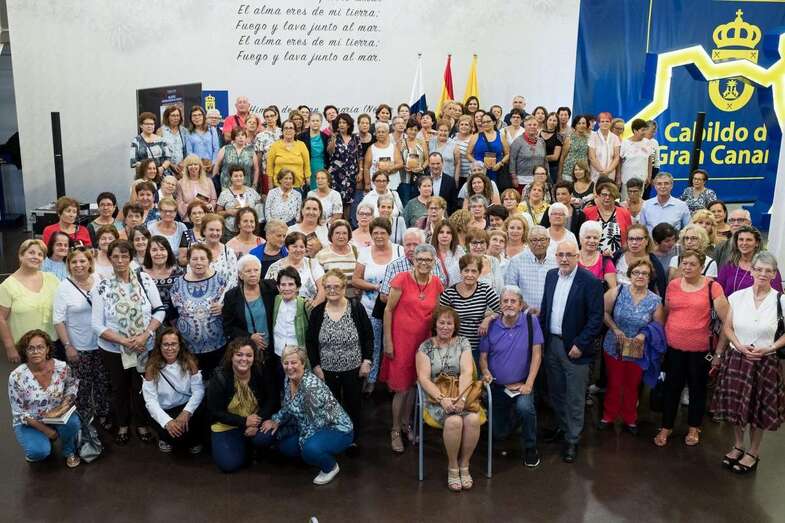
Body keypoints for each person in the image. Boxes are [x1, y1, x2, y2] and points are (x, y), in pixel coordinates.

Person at [711, 251, 785, 474]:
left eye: (768, 271)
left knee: (757, 409)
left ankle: (753, 451)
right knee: (736, 406)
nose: (763, 274)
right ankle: (737, 445)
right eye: (759, 269)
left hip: (766, 362)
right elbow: (727, 327)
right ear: (751, 271)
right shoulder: (736, 297)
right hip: (738, 358)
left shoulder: (780, 300)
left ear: (774, 275)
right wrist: (739, 346)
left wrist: (770, 347)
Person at [92, 239, 164, 444]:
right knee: (119, 388)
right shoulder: (101, 287)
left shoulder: (145, 280)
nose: (120, 260)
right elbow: (97, 325)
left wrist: (145, 335)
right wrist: (123, 341)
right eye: (116, 256)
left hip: (143, 346)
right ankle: (123, 423)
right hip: (114, 350)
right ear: (110, 258)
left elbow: (159, 310)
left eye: (125, 255)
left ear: (131, 257)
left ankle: (141, 423)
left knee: (141, 387)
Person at [654, 249, 729, 447]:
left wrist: (719, 353)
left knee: (697, 389)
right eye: (684, 263)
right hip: (673, 347)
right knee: (671, 388)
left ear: (702, 266)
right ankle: (666, 426)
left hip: (701, 350)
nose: (687, 267)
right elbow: (667, 313)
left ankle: (694, 427)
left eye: (692, 264)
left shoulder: (713, 287)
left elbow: (727, 322)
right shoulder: (673, 285)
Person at [539, 240, 604, 463]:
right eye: (560, 255)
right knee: (555, 392)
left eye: (569, 254)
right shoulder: (550, 276)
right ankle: (562, 427)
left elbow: (596, 319)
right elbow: (546, 309)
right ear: (555, 256)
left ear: (577, 256)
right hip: (552, 345)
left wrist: (581, 344)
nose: (564, 259)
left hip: (576, 348)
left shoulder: (590, 282)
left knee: (575, 397)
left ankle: (573, 439)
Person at [382, 244, 445, 453]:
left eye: (428, 260)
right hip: (400, 341)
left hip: (423, 342)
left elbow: (436, 314)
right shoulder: (401, 279)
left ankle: (407, 424)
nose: (424, 263)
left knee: (415, 386)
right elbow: (388, 310)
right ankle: (394, 430)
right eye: (420, 260)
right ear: (414, 260)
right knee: (401, 388)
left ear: (434, 261)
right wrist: (388, 341)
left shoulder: (436, 282)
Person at [261, 346, 353, 485]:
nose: (289, 367)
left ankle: (330, 467)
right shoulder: (288, 379)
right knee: (284, 445)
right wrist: (277, 421)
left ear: (303, 363)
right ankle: (313, 453)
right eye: (286, 363)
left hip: (336, 429)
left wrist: (303, 444)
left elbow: (316, 424)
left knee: (308, 449)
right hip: (308, 423)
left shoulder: (310, 388)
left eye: (294, 362)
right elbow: (288, 406)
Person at [416, 306, 484, 490]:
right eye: (442, 323)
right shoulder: (425, 347)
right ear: (435, 325)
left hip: (462, 392)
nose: (445, 327)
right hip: (436, 395)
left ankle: (465, 465)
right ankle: (453, 466)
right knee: (454, 422)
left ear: (455, 326)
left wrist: (461, 399)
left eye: (449, 323)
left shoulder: (463, 342)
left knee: (472, 419)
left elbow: (467, 372)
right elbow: (423, 378)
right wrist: (442, 399)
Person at [479, 286, 543, 468]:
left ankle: (531, 447)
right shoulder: (490, 326)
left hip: (522, 384)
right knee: (498, 432)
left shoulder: (531, 322)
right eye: (505, 301)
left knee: (525, 408)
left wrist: (529, 384)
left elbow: (537, 355)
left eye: (513, 301)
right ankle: (513, 421)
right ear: (500, 304)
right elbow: (483, 358)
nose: (509, 305)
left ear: (521, 304)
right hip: (498, 386)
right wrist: (485, 371)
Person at [307, 269, 372, 444]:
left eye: (336, 286)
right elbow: (311, 342)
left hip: (353, 369)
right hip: (326, 371)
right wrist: (316, 366)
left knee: (353, 406)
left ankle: (353, 439)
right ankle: (334, 440)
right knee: (329, 407)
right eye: (328, 287)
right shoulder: (317, 312)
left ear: (344, 288)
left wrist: (367, 361)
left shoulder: (356, 308)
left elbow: (368, 336)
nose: (332, 290)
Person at [600, 259, 664, 433]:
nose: (640, 276)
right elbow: (603, 312)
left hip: (638, 348)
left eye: (645, 273)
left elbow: (658, 325)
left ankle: (630, 418)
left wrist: (644, 334)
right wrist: (615, 329)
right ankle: (608, 416)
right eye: (636, 272)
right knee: (614, 382)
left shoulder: (655, 300)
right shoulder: (617, 291)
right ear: (630, 275)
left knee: (632, 384)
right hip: (614, 345)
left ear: (650, 277)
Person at [53, 247, 110, 427]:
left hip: (102, 343)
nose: (79, 265)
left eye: (82, 261)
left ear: (89, 262)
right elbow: (58, 320)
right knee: (82, 386)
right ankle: (83, 420)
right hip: (79, 346)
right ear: (69, 265)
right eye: (74, 262)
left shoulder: (100, 280)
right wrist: (68, 346)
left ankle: (104, 414)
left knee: (103, 382)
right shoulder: (64, 287)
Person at [8, 330, 81, 468]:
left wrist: (65, 403)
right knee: (39, 453)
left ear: (47, 349)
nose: (36, 351)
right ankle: (39, 445)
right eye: (31, 348)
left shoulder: (62, 367)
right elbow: (19, 413)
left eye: (40, 347)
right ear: (25, 351)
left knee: (73, 423)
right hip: (31, 421)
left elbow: (72, 385)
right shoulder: (16, 376)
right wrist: (47, 431)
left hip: (57, 415)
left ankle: (69, 451)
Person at [207, 337, 280, 473]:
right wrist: (244, 422)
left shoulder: (260, 371)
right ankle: (243, 446)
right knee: (229, 465)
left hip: (255, 419)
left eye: (249, 355)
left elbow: (272, 398)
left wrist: (257, 421)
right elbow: (215, 411)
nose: (244, 359)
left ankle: (251, 444)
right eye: (239, 354)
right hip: (227, 425)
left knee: (266, 437)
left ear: (254, 357)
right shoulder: (219, 377)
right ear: (231, 356)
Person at [142, 328, 205, 454]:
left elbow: (198, 391)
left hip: (186, 406)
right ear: (159, 346)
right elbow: (150, 400)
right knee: (175, 437)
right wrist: (167, 421)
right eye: (166, 344)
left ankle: (193, 439)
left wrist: (186, 412)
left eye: (174, 344)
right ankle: (165, 438)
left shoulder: (189, 362)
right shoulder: (151, 367)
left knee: (190, 433)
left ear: (180, 345)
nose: (170, 348)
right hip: (165, 410)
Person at [170, 244, 229, 378]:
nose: (199, 262)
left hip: (219, 347)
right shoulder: (178, 284)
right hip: (189, 349)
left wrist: (224, 308)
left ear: (209, 260)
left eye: (203, 258)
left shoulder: (222, 282)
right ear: (189, 261)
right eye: (194, 259)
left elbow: (234, 310)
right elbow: (173, 316)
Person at [0, 240, 60, 363]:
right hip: (27, 348)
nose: (36, 257)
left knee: (54, 380)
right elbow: (1, 318)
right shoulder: (7, 286)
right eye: (31, 252)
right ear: (21, 255)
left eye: (40, 254)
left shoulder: (52, 279)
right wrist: (9, 347)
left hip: (53, 344)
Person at [439, 254, 501, 360]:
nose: (470, 275)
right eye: (466, 271)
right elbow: (439, 319)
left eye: (474, 271)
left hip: (478, 347)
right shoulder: (449, 293)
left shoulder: (485, 290)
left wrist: (488, 319)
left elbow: (501, 310)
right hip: (454, 347)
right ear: (460, 272)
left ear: (479, 273)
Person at [223, 255, 276, 357]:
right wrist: (250, 337)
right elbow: (228, 327)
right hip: (246, 350)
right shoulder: (232, 296)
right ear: (240, 275)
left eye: (256, 270)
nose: (253, 274)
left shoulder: (271, 287)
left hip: (272, 349)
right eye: (248, 271)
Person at [504, 225, 557, 315]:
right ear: (528, 242)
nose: (539, 244)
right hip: (524, 315)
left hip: (551, 315)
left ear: (548, 241)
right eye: (535, 240)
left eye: (542, 240)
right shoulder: (516, 261)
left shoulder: (556, 261)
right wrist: (527, 309)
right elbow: (511, 291)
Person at [717, 226, 783, 295]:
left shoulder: (768, 266)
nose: (744, 243)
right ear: (736, 242)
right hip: (729, 305)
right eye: (741, 239)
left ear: (757, 243)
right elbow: (718, 292)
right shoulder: (729, 265)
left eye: (749, 240)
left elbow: (777, 295)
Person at [265, 231, 325, 306]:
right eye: (294, 246)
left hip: (310, 311)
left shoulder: (313, 264)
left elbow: (323, 289)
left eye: (301, 247)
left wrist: (313, 306)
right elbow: (268, 293)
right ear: (287, 248)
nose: (298, 250)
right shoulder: (275, 267)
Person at [612, 224, 668, 296]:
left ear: (647, 241)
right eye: (631, 239)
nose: (634, 242)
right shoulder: (618, 256)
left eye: (638, 239)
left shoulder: (654, 263)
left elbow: (660, 291)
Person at [583, 181, 632, 257]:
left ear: (615, 196)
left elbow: (629, 237)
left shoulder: (624, 213)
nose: (607, 198)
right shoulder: (588, 212)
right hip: (593, 257)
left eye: (610, 195)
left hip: (617, 257)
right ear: (598, 195)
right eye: (604, 195)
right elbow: (582, 235)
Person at [142, 235, 183, 325]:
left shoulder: (179, 274)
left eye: (162, 249)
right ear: (148, 253)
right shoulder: (140, 275)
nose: (159, 253)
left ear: (168, 251)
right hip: (148, 325)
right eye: (154, 250)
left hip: (175, 326)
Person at [326, 113, 362, 216]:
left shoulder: (355, 138)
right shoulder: (333, 137)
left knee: (348, 201)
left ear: (349, 125)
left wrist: (360, 171)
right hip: (336, 174)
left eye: (344, 123)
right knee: (337, 201)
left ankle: (346, 224)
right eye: (340, 123)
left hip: (351, 174)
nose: (341, 125)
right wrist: (333, 139)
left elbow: (359, 156)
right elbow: (330, 151)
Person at [217, 165, 263, 237]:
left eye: (241, 176)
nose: (238, 178)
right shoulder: (224, 194)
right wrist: (228, 212)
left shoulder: (252, 191)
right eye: (235, 176)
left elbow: (259, 209)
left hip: (250, 230)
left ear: (244, 177)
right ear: (231, 178)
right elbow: (218, 213)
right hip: (230, 231)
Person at [467, 112, 509, 186]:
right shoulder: (476, 136)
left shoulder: (501, 136)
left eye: (488, 121)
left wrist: (500, 164)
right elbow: (468, 154)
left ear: (494, 122)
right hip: (480, 172)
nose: (486, 124)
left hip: (496, 171)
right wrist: (478, 164)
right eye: (483, 122)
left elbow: (507, 154)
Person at [363, 122, 404, 196]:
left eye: (383, 132)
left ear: (387, 133)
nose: (380, 134)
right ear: (375, 134)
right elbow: (366, 168)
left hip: (392, 185)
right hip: (376, 185)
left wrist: (389, 168)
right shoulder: (371, 148)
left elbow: (400, 164)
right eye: (378, 132)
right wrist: (367, 184)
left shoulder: (393, 147)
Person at [509, 115, 547, 189]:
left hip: (539, 179)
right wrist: (514, 178)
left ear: (538, 126)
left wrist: (547, 175)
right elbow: (512, 160)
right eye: (529, 125)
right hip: (522, 180)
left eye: (535, 125)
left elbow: (545, 160)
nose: (532, 126)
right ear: (524, 126)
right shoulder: (518, 141)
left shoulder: (541, 141)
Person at [201, 214, 239, 287]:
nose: (215, 233)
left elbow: (233, 281)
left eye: (218, 230)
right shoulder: (195, 251)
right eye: (211, 229)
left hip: (226, 296)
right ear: (204, 231)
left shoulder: (228, 252)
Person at [397, 117, 428, 205]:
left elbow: (427, 160)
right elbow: (397, 160)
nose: (413, 132)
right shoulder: (400, 143)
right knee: (405, 203)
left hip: (419, 178)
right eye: (411, 129)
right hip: (404, 179)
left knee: (419, 203)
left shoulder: (422, 142)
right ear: (406, 130)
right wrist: (403, 166)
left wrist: (421, 167)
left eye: (415, 130)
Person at [577, 221, 617, 289]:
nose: (592, 241)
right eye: (588, 237)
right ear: (580, 239)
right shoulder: (572, 257)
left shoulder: (605, 261)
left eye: (595, 238)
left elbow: (612, 291)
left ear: (599, 240)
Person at [465, 228, 505, 295]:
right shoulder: (460, 264)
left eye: (482, 242)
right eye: (474, 243)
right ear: (467, 245)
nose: (478, 246)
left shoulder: (494, 261)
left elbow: (500, 289)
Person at [618, 118, 652, 196]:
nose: (644, 132)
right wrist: (618, 177)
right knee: (626, 202)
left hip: (642, 178)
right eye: (642, 130)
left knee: (639, 202)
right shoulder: (625, 143)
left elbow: (649, 161)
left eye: (645, 130)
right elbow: (619, 162)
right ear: (635, 131)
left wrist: (649, 176)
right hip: (627, 179)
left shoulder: (647, 143)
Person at [298, 112, 330, 190]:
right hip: (307, 168)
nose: (315, 123)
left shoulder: (325, 137)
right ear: (309, 122)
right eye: (313, 121)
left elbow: (328, 154)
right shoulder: (301, 137)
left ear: (321, 122)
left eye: (317, 121)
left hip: (322, 167)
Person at [156, 106, 189, 176]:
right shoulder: (160, 131)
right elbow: (159, 153)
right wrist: (171, 165)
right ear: (167, 117)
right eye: (173, 115)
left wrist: (183, 163)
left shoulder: (184, 131)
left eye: (177, 115)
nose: (176, 118)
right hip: (166, 169)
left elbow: (187, 151)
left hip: (181, 169)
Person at [431, 219, 466, 286]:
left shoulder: (459, 251)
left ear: (453, 236)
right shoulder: (430, 252)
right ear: (436, 235)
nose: (445, 235)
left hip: (455, 292)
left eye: (448, 233)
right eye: (441, 232)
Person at [588, 112, 621, 180]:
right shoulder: (593, 136)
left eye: (607, 121)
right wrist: (601, 171)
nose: (605, 123)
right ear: (598, 123)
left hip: (610, 173)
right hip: (596, 173)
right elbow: (592, 157)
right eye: (602, 121)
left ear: (611, 123)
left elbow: (616, 157)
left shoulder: (615, 138)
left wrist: (608, 171)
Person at [558, 115, 590, 182]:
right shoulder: (569, 138)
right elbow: (562, 157)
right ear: (575, 125)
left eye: (583, 123)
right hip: (568, 173)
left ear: (587, 125)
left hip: (582, 173)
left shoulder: (589, 139)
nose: (581, 125)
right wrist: (559, 176)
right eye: (579, 123)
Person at [254, 106, 283, 181]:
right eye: (267, 117)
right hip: (266, 172)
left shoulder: (283, 132)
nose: (270, 118)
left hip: (283, 172)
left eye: (272, 116)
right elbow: (259, 157)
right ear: (264, 119)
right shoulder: (260, 136)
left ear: (276, 117)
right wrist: (259, 175)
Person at [540, 112, 563, 182]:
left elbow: (555, 157)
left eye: (554, 120)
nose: (551, 122)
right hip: (539, 167)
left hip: (552, 168)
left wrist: (539, 157)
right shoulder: (539, 133)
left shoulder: (559, 137)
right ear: (546, 120)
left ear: (557, 123)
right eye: (550, 120)